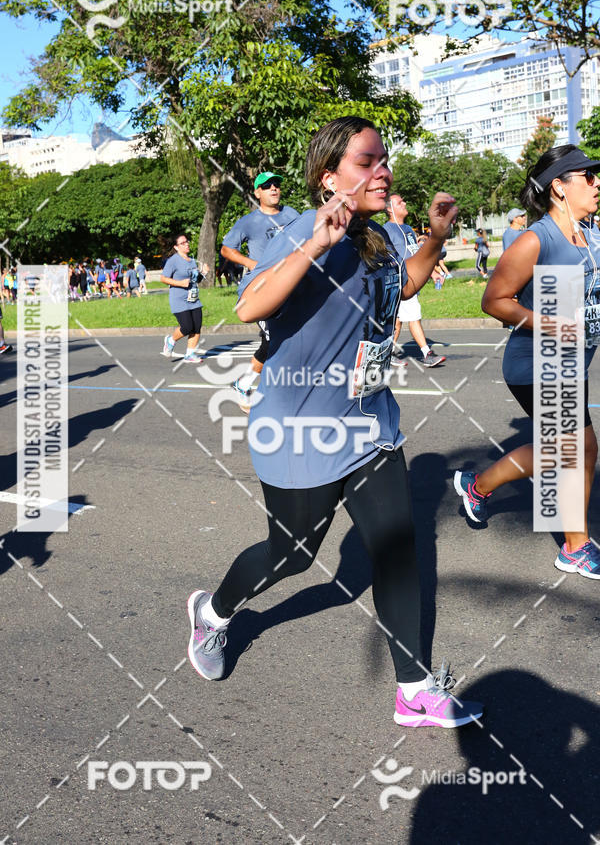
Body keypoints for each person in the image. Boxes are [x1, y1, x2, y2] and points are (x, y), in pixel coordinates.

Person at [187, 116, 483, 728]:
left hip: (371, 423)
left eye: (385, 160)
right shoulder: (299, 230)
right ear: (330, 178)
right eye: (367, 161)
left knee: (399, 551)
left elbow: (404, 286)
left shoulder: (378, 236)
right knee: (291, 555)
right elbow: (249, 305)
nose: (384, 170)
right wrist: (316, 243)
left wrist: (434, 235)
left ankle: (413, 689)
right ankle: (214, 614)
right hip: (302, 430)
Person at [454, 144, 600, 579]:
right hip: (537, 361)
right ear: (559, 187)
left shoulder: (591, 235)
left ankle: (477, 487)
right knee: (574, 451)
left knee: (571, 450)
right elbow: (494, 301)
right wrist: (552, 325)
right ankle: (576, 547)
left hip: (572, 362)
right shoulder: (536, 240)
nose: (597, 183)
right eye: (587, 177)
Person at [220, 172, 299, 412]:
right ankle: (246, 385)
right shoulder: (248, 221)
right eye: (266, 186)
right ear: (257, 193)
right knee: (274, 339)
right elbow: (226, 250)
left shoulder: (292, 215)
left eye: (276, 184)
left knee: (296, 336)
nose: (273, 188)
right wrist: (254, 265)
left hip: (293, 283)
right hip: (262, 287)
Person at [383, 194, 445, 367]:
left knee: (397, 321)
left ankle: (386, 354)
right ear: (389, 209)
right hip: (402, 282)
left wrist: (432, 272)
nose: (404, 203)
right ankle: (427, 354)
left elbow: (418, 255)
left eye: (404, 200)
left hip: (412, 281)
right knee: (412, 317)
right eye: (399, 202)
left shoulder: (409, 229)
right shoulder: (386, 230)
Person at [160, 233, 210, 363]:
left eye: (187, 241)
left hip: (193, 298)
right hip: (179, 299)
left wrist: (203, 272)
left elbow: (195, 280)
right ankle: (170, 341)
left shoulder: (192, 260)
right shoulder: (173, 261)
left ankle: (190, 354)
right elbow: (163, 278)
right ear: (176, 247)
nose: (186, 244)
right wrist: (180, 283)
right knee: (187, 327)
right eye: (183, 243)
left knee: (196, 327)